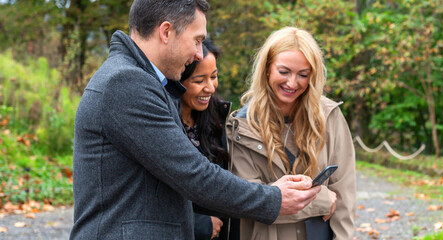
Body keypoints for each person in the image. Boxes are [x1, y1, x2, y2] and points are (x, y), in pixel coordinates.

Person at [71, 1, 320, 239]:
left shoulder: (144, 81)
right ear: (166, 32)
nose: (199, 54)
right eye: (197, 40)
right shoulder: (126, 83)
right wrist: (273, 198)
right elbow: (194, 174)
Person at [226, 26, 356, 240]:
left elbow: (344, 196)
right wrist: (321, 200)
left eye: (303, 74)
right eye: (284, 72)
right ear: (267, 68)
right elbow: (250, 201)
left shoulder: (329, 116)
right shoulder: (241, 125)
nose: (292, 83)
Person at [174, 39, 239, 240]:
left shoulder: (220, 118)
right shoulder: (164, 124)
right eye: (199, 80)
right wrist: (197, 224)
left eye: (214, 76)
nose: (210, 88)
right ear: (178, 80)